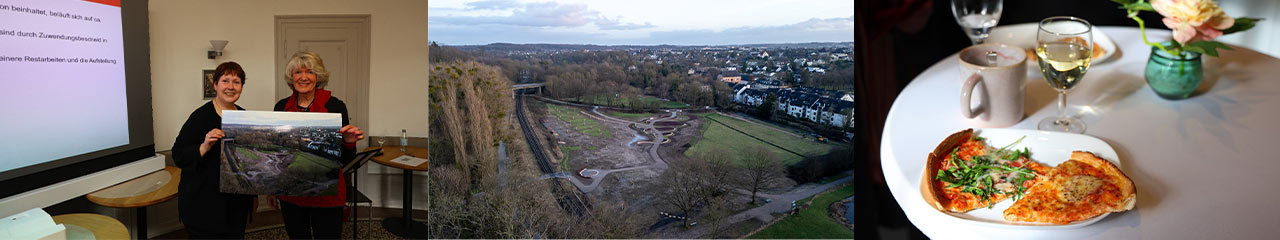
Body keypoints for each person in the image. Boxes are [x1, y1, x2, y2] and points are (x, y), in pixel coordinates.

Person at [273, 51, 366, 239]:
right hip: (291, 192)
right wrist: (273, 187)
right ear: (292, 77)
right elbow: (278, 153)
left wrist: (348, 143)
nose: (303, 77)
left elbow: (346, 159)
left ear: (318, 77)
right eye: (298, 72)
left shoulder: (335, 107)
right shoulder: (281, 107)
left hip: (326, 193)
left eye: (310, 72)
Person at [172, 61, 254, 238]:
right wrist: (204, 146)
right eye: (226, 81)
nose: (231, 87)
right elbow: (178, 155)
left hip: (236, 205)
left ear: (241, 87)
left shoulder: (245, 117)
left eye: (236, 82)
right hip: (203, 205)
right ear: (215, 85)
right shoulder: (199, 117)